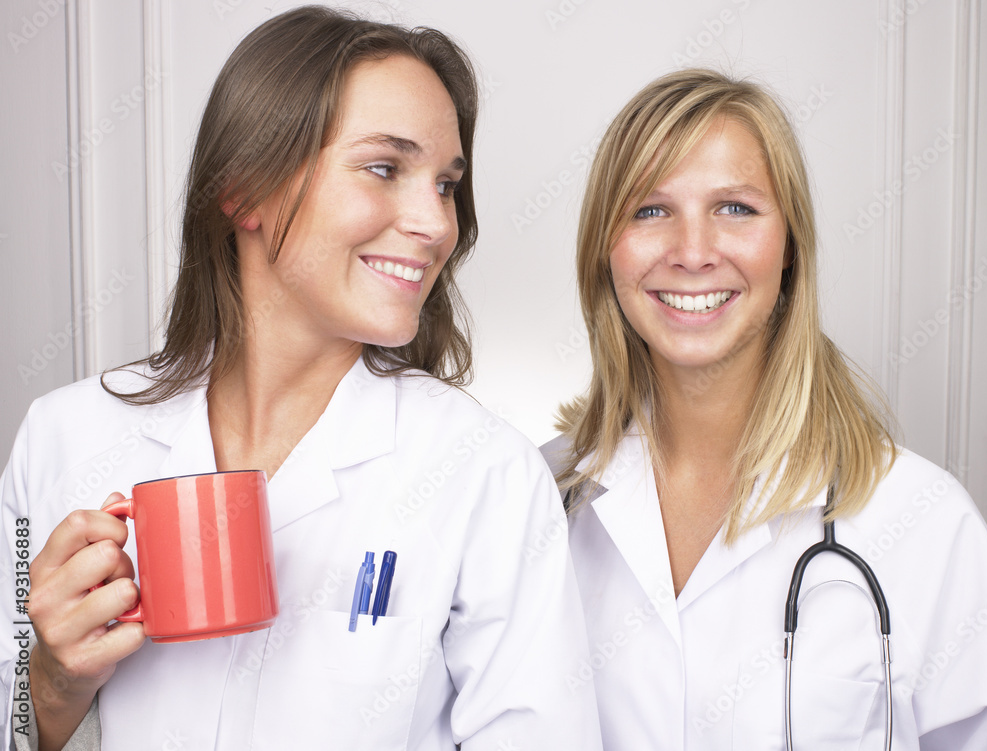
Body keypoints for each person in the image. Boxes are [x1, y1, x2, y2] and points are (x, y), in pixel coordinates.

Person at [0, 7, 600, 750]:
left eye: (446, 184)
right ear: (245, 187)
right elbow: (17, 720)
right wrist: (53, 681)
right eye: (385, 168)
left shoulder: (485, 474)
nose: (437, 223)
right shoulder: (62, 437)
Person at [544, 68, 987, 748]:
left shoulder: (926, 522)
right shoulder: (536, 500)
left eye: (735, 208)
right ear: (604, 251)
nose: (692, 252)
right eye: (649, 209)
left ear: (789, 248)